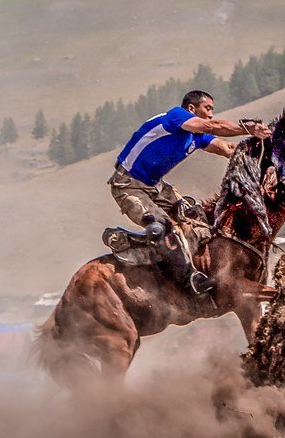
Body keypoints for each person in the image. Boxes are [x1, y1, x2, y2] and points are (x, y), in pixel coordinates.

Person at [107, 90, 270, 294]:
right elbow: (213, 126)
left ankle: (206, 266)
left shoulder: (197, 136)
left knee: (197, 218)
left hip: (155, 185)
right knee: (162, 227)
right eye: (207, 108)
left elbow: (228, 149)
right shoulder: (176, 116)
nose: (211, 114)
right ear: (192, 108)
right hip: (128, 185)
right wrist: (247, 127)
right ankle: (187, 280)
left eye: (212, 110)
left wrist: (266, 156)